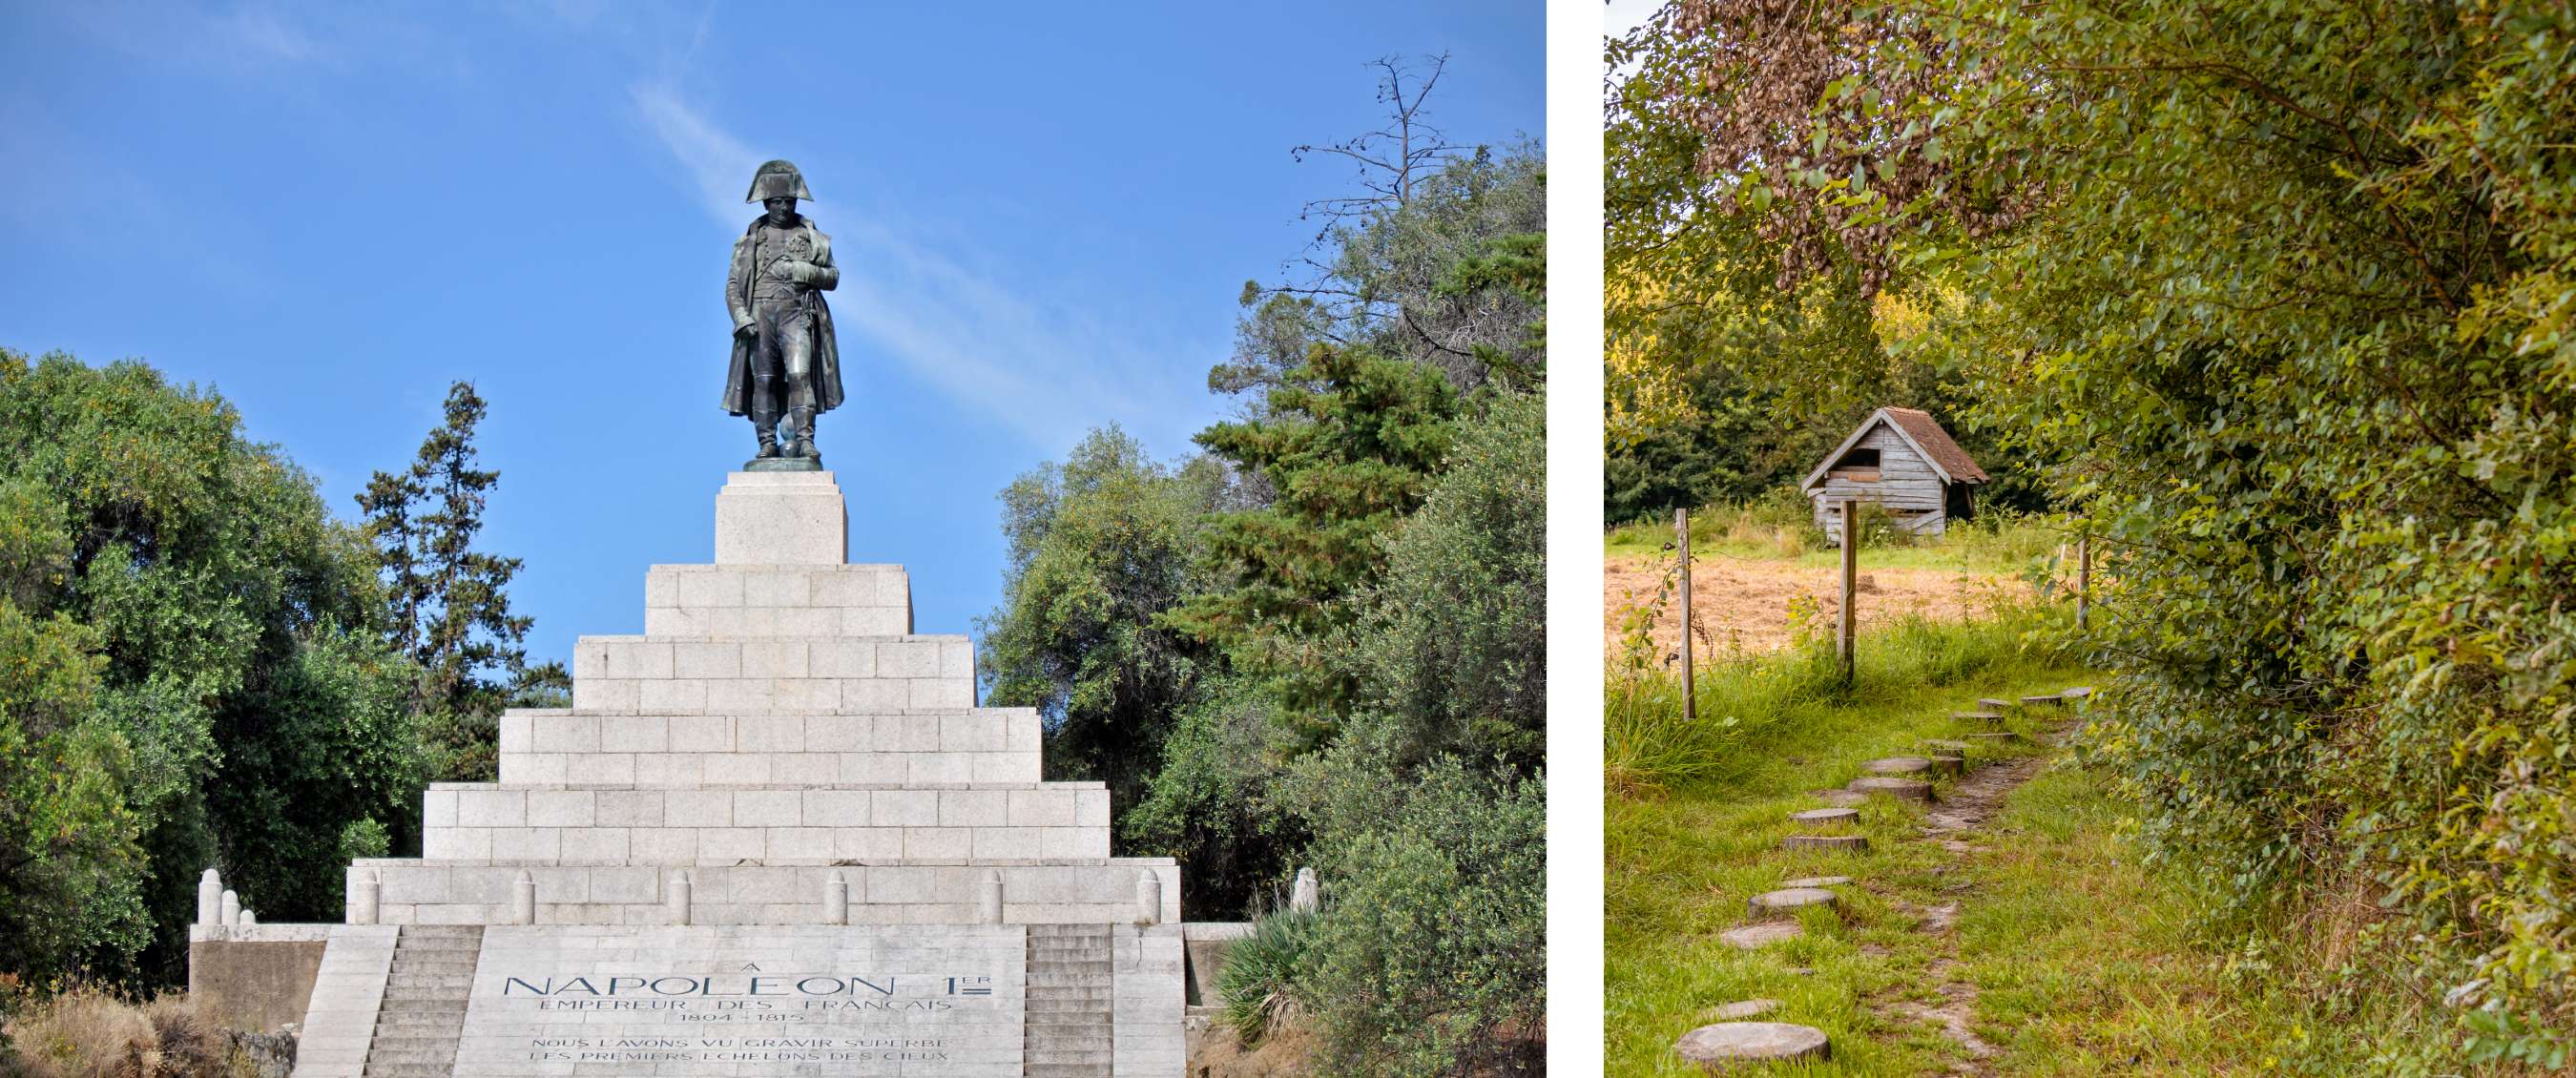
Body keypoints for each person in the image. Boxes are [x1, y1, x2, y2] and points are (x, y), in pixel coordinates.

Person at [720, 159, 845, 462]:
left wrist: (801, 270)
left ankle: (805, 442)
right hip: (760, 315)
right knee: (763, 379)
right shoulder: (750, 239)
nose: (785, 208)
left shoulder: (809, 235)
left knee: (800, 374)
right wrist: (741, 317)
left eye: (789, 201)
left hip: (796, 314)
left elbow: (832, 277)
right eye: (778, 202)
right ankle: (766, 443)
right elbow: (733, 286)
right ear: (767, 203)